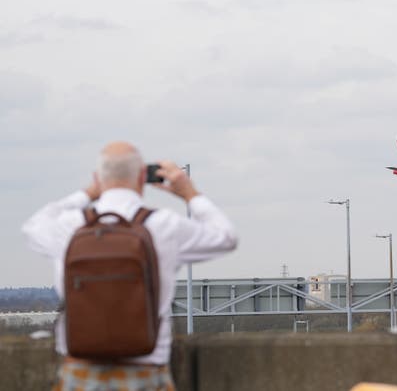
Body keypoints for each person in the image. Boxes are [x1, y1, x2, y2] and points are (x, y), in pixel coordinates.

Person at [22, 141, 238, 390]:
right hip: (146, 366)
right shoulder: (163, 225)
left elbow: (32, 227)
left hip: (80, 367)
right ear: (143, 177)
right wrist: (189, 193)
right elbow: (226, 237)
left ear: (97, 178)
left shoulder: (70, 225)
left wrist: (87, 194)